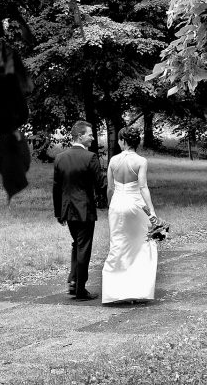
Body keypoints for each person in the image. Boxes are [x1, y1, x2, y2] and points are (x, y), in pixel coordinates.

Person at [101, 126, 159, 304]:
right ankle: (138, 291)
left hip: (118, 204)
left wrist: (111, 204)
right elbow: (142, 187)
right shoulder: (141, 161)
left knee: (118, 244)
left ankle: (115, 292)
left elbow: (110, 188)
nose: (118, 142)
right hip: (136, 205)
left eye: (119, 140)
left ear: (123, 141)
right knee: (141, 245)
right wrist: (152, 211)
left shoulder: (113, 160)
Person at [53, 120, 107, 300]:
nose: (92, 138)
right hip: (84, 210)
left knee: (77, 244)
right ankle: (80, 288)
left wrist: (58, 213)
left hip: (68, 210)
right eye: (90, 134)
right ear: (80, 136)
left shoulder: (60, 157)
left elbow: (56, 188)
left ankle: (73, 280)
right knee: (83, 247)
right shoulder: (90, 157)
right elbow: (101, 184)